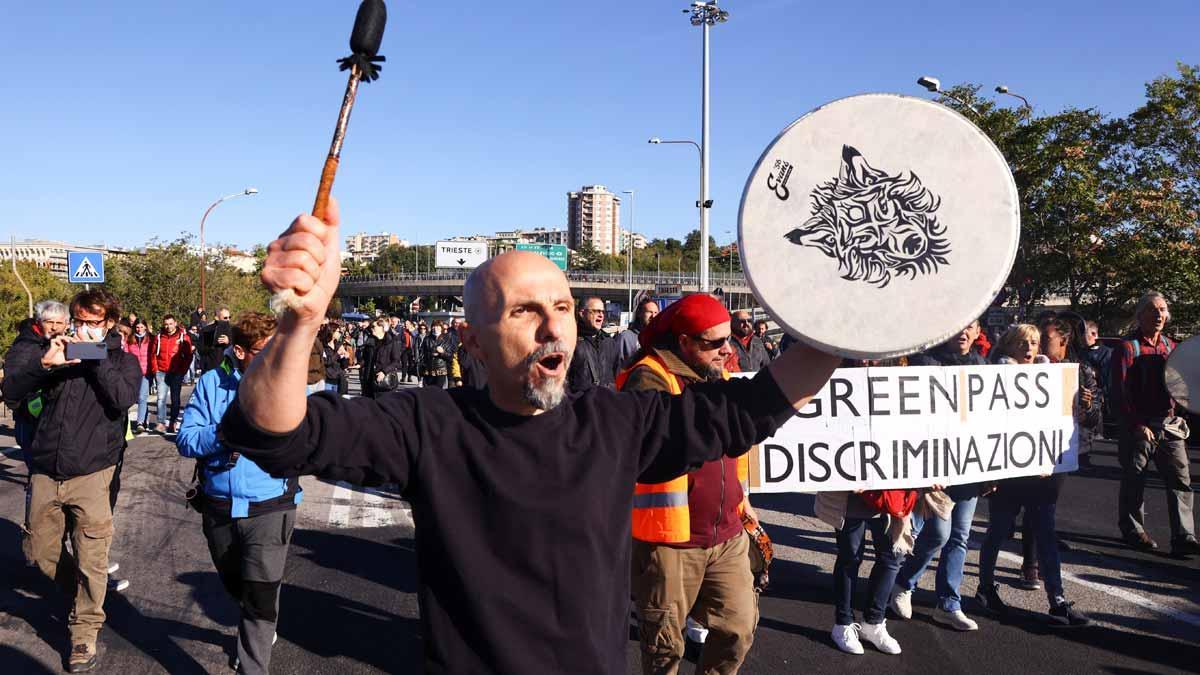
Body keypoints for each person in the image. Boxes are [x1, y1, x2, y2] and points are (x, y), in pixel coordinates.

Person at [223, 202, 839, 673]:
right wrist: (297, 322)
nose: (553, 329)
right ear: (472, 342)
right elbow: (277, 433)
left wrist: (857, 320)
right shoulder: (428, 426)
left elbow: (752, 407)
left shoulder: (617, 423)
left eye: (563, 308)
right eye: (524, 311)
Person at [618, 294, 761, 674]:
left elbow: (738, 445)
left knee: (739, 630)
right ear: (684, 343)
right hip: (670, 543)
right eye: (715, 343)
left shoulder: (719, 372)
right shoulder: (648, 377)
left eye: (728, 339)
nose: (727, 350)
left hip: (727, 535)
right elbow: (665, 439)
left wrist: (743, 499)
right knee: (664, 648)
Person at [2, 289, 141, 672]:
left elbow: (122, 397)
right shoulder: (54, 352)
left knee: (91, 557)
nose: (81, 329)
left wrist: (91, 356)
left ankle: (84, 632)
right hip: (47, 469)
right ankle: (80, 593)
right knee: (39, 552)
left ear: (110, 324)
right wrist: (44, 366)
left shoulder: (123, 361)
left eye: (92, 323)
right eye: (78, 321)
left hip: (93, 473)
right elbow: (11, 391)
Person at [177, 312, 301, 675]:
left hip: (271, 505)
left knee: (260, 596)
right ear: (240, 351)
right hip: (218, 506)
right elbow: (186, 440)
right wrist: (225, 432)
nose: (272, 357)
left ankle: (253, 664)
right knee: (239, 587)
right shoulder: (211, 383)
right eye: (264, 350)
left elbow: (312, 433)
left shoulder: (289, 382)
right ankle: (258, 623)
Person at [975, 323, 1092, 626]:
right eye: (1023, 343)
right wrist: (989, 471)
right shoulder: (992, 380)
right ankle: (985, 588)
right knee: (998, 532)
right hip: (1007, 475)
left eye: (1035, 343)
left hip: (1041, 475)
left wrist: (1079, 409)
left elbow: (1066, 421)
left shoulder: (1052, 380)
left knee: (1046, 538)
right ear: (1009, 346)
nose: (1029, 349)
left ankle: (1058, 600)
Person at [889, 319, 986, 632]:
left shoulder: (982, 367)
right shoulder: (923, 365)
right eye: (959, 325)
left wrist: (996, 467)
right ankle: (905, 582)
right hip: (936, 467)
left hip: (968, 466)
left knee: (960, 537)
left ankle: (949, 603)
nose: (964, 331)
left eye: (970, 326)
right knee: (939, 534)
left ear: (977, 332)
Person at [1110, 292, 1198, 555]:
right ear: (1140, 316)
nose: (1159, 314)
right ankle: (1134, 531)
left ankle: (1184, 536)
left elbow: (1184, 387)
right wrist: (1136, 424)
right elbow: (1119, 392)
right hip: (1139, 427)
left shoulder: (1173, 348)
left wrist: (1183, 412)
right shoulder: (1127, 349)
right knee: (1134, 480)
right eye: (1152, 309)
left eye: (1162, 310)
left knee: (1181, 480)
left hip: (1169, 425)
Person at [3, 301, 69, 567]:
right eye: (49, 322)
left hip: (55, 424)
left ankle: (56, 548)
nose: (54, 327)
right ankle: (37, 544)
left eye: (59, 322)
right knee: (41, 483)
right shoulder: (25, 347)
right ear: (39, 322)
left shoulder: (65, 341)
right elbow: (12, 390)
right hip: (33, 425)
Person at [153, 314, 193, 433]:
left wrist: (183, 371)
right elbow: (153, 355)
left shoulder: (183, 338)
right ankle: (161, 422)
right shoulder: (159, 337)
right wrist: (155, 369)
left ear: (175, 323)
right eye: (166, 324)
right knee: (161, 398)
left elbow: (188, 356)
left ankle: (173, 421)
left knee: (175, 399)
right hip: (161, 371)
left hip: (176, 372)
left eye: (170, 324)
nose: (168, 326)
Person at [567, 296, 616, 392]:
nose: (601, 315)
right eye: (596, 311)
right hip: (579, 404)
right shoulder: (570, 341)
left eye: (602, 312)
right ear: (582, 313)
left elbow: (617, 375)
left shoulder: (609, 342)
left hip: (607, 403)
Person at [123, 319, 157, 434]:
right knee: (138, 398)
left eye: (142, 327)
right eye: (137, 327)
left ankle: (140, 423)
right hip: (133, 372)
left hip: (146, 372)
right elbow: (126, 354)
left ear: (146, 327)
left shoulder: (151, 339)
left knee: (142, 397)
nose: (139, 329)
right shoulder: (130, 339)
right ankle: (144, 419)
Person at [613, 298, 659, 374]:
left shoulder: (659, 339)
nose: (653, 316)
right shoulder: (625, 338)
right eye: (649, 312)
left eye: (656, 313)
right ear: (639, 314)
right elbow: (615, 367)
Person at [198, 307, 234, 373]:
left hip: (227, 368)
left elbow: (237, 349)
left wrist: (228, 342)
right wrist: (213, 341)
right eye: (225, 318)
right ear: (217, 318)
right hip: (210, 368)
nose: (228, 320)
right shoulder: (207, 330)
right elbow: (201, 350)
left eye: (229, 317)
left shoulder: (232, 330)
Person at [422, 320, 454, 389]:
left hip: (440, 369)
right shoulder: (427, 339)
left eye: (437, 326)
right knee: (426, 391)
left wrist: (442, 353)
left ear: (441, 328)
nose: (435, 328)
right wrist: (430, 354)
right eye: (433, 326)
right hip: (428, 369)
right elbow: (422, 353)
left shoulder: (447, 339)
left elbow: (450, 356)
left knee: (437, 391)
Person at [318, 324, 347, 394]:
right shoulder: (323, 345)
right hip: (328, 379)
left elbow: (344, 365)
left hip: (339, 378)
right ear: (332, 332)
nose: (340, 333)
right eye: (338, 331)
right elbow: (326, 361)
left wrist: (345, 357)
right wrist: (337, 354)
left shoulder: (338, 344)